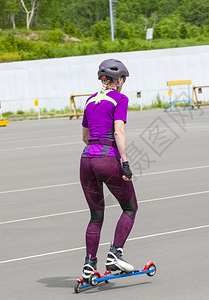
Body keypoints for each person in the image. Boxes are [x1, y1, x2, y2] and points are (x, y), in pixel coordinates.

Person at [79, 59, 138, 280]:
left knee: (96, 216)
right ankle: (115, 254)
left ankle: (89, 264)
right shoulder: (120, 99)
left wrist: (95, 152)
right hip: (108, 159)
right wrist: (125, 163)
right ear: (119, 80)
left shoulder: (89, 101)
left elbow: (85, 137)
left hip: (86, 161)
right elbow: (118, 132)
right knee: (130, 208)